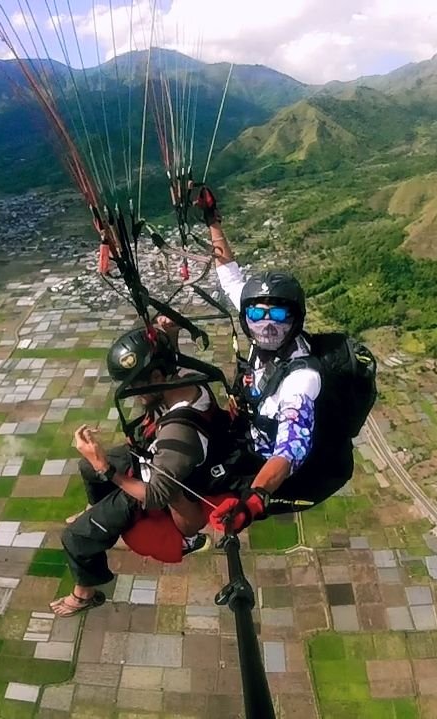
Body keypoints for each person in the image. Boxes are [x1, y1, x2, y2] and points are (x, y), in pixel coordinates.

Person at [195, 190, 359, 533]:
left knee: (197, 484)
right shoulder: (260, 325)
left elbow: (291, 446)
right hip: (251, 435)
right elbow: (231, 277)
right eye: (257, 314)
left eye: (279, 315)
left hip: (275, 470)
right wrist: (213, 223)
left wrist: (254, 501)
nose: (267, 324)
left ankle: (183, 535)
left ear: (295, 318)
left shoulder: (302, 379)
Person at [50, 327, 231, 617]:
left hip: (158, 484)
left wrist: (106, 468)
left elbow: (157, 495)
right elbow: (168, 354)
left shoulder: (179, 432)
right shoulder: (181, 378)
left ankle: (85, 593)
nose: (135, 396)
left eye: (137, 388)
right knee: (87, 468)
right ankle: (94, 507)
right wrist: (167, 332)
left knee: (75, 537)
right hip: (151, 458)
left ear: (157, 378)